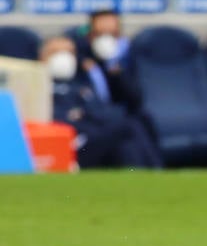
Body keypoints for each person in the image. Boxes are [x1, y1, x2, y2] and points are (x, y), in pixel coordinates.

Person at [42, 34, 161, 168]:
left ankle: (140, 177)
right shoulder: (39, 87)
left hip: (94, 138)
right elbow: (56, 119)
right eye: (56, 52)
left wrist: (84, 114)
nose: (64, 57)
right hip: (71, 143)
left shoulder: (81, 83)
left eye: (69, 52)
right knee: (128, 127)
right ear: (42, 57)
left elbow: (103, 112)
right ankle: (156, 171)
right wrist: (87, 116)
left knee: (128, 139)